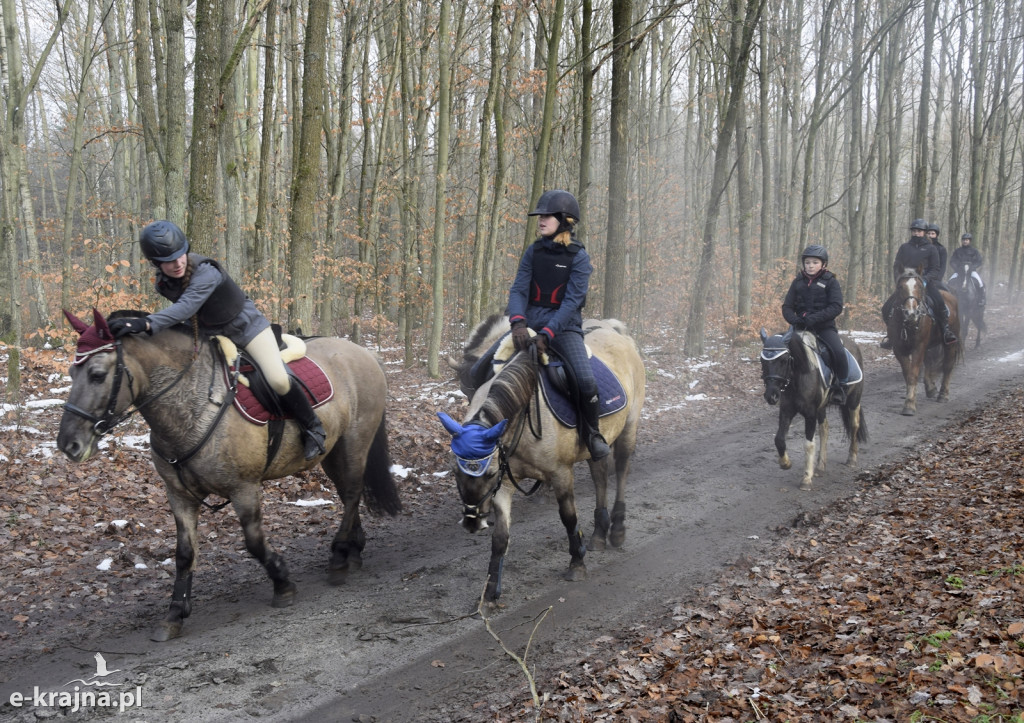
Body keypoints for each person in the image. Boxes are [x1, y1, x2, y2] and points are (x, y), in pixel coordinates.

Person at [109, 220, 327, 460]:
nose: (178, 262)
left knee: (277, 379)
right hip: (212, 334)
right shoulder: (163, 283)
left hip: (247, 329)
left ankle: (313, 427)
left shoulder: (206, 272)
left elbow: (186, 307)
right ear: (155, 264)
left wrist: (146, 323)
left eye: (181, 255)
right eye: (169, 260)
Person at [507, 190, 610, 460]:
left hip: (563, 329)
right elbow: (519, 289)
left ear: (564, 220)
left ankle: (592, 434)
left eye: (547, 215)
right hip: (527, 325)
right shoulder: (534, 251)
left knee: (586, 381)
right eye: (539, 215)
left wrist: (548, 334)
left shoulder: (579, 257)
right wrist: (517, 322)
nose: (540, 220)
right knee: (483, 364)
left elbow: (572, 303)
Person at [782, 245, 849, 403]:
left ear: (823, 264)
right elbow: (787, 307)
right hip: (800, 327)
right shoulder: (797, 282)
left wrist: (816, 318)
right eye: (807, 262)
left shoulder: (831, 282)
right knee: (778, 351)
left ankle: (841, 386)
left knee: (838, 352)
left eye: (814, 262)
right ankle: (780, 386)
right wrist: (794, 319)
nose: (810, 265)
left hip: (823, 328)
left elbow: (836, 306)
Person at [879, 218, 957, 348]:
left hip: (924, 283)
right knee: (886, 308)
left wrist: (924, 280)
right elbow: (897, 265)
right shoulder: (904, 247)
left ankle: (945, 331)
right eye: (914, 231)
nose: (916, 233)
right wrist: (899, 281)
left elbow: (935, 269)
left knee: (940, 303)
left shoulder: (931, 249)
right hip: (906, 284)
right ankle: (891, 336)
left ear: (924, 232)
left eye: (919, 231)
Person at [948, 232, 986, 307]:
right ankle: (948, 299)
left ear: (970, 241)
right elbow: (952, 261)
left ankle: (982, 298)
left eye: (967, 240)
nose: (965, 241)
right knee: (950, 281)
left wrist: (973, 267)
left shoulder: (974, 251)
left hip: (971, 271)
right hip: (959, 271)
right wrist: (957, 268)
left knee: (980, 282)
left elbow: (979, 261)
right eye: (964, 240)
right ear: (962, 241)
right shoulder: (957, 251)